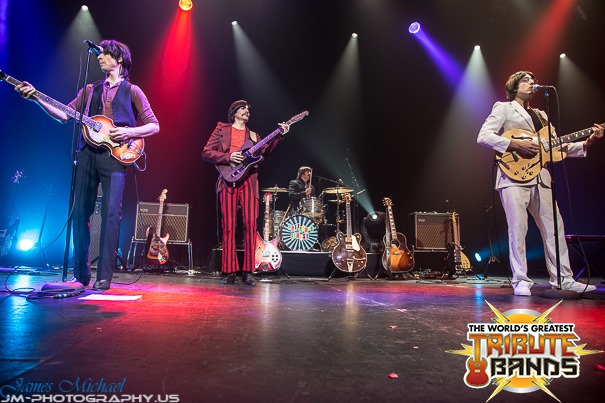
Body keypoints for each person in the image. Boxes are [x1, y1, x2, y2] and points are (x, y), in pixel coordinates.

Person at [15, 40, 160, 290]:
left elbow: (154, 125)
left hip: (116, 156)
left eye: (105, 54)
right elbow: (64, 114)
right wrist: (37, 97)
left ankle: (104, 276)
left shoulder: (133, 90)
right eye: (99, 54)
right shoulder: (90, 89)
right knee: (79, 212)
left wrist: (129, 132)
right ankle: (81, 276)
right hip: (87, 153)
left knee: (111, 215)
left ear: (120, 59)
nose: (100, 57)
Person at [477, 70, 603, 296]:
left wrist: (587, 142)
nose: (531, 83)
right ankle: (520, 280)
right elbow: (484, 136)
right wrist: (516, 145)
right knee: (518, 229)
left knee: (555, 227)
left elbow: (555, 147)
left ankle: (563, 279)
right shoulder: (504, 108)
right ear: (514, 87)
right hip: (513, 176)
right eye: (525, 80)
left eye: (533, 80)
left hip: (541, 176)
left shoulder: (542, 115)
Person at [202, 100, 289, 285]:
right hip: (228, 179)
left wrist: (279, 135)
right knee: (229, 225)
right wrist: (228, 156)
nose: (247, 110)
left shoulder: (254, 136)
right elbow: (206, 152)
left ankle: (248, 271)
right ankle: (229, 271)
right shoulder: (222, 129)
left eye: (249, 109)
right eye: (243, 108)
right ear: (234, 112)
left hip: (249, 180)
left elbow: (266, 152)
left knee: (250, 224)